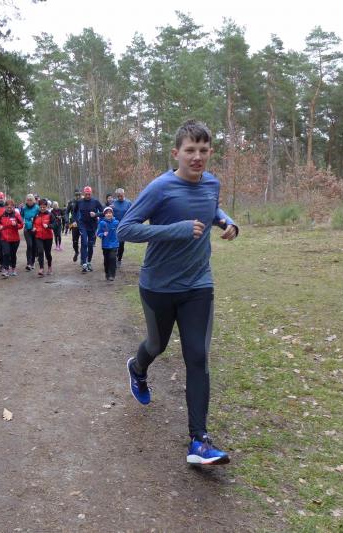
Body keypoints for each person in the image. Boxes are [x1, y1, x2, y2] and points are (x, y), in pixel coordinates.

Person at [117, 120, 239, 466]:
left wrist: (227, 222)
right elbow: (125, 229)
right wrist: (176, 230)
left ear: (210, 152)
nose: (197, 156)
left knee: (197, 357)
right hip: (158, 285)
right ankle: (137, 367)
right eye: (190, 150)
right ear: (176, 153)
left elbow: (211, 208)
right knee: (157, 345)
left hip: (198, 284)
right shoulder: (160, 188)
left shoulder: (212, 183)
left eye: (203, 150)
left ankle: (199, 441)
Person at [73, 186, 103, 273]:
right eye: (86, 194)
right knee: (84, 243)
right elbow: (74, 211)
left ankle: (89, 262)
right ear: (84, 193)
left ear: (91, 193)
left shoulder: (95, 202)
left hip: (92, 225)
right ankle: (84, 263)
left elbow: (103, 212)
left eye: (89, 194)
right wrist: (75, 220)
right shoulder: (79, 202)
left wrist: (96, 214)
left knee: (90, 244)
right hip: (82, 224)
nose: (87, 196)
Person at [0, 199, 24, 278]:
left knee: (12, 254)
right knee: (6, 253)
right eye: (7, 207)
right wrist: (0, 226)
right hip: (4, 238)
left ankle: (13, 268)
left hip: (15, 239)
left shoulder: (16, 215)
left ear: (13, 207)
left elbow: (21, 225)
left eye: (11, 207)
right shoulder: (2, 215)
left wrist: (16, 225)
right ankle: (6, 269)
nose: (9, 209)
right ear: (5, 207)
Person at [33, 198, 55, 276]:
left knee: (48, 253)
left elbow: (55, 225)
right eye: (41, 207)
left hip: (48, 237)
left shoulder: (50, 215)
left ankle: (49, 267)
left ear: (47, 207)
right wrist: (34, 228)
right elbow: (34, 224)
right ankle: (41, 268)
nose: (42, 208)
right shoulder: (36, 215)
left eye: (44, 207)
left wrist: (48, 226)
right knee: (40, 251)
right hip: (38, 236)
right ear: (39, 207)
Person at [96, 206, 119, 281]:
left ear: (112, 214)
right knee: (106, 260)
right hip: (105, 245)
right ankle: (107, 273)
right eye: (107, 213)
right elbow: (98, 233)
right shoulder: (102, 223)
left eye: (110, 213)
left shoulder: (116, 222)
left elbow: (120, 231)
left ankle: (112, 274)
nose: (108, 214)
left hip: (114, 243)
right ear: (104, 214)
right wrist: (103, 234)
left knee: (112, 258)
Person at [111, 188, 132, 268]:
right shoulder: (113, 203)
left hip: (124, 226)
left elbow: (132, 214)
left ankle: (119, 259)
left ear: (124, 194)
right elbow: (108, 212)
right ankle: (113, 258)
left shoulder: (128, 203)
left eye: (121, 196)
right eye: (118, 196)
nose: (120, 197)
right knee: (114, 243)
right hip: (114, 226)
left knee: (121, 244)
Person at [20, 194, 39, 271]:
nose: (29, 201)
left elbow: (40, 216)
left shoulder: (37, 208)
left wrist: (35, 221)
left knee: (34, 246)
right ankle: (28, 263)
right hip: (27, 229)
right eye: (28, 200)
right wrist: (22, 221)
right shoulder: (24, 208)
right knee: (29, 245)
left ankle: (33, 262)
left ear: (33, 200)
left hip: (35, 228)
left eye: (31, 200)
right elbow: (21, 216)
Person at [66, 189, 82, 261]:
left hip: (82, 224)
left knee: (84, 240)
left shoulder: (83, 201)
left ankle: (83, 254)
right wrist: (67, 221)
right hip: (74, 224)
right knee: (74, 241)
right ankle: (76, 252)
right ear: (74, 195)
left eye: (79, 195)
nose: (78, 196)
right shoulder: (71, 202)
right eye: (76, 195)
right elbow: (66, 212)